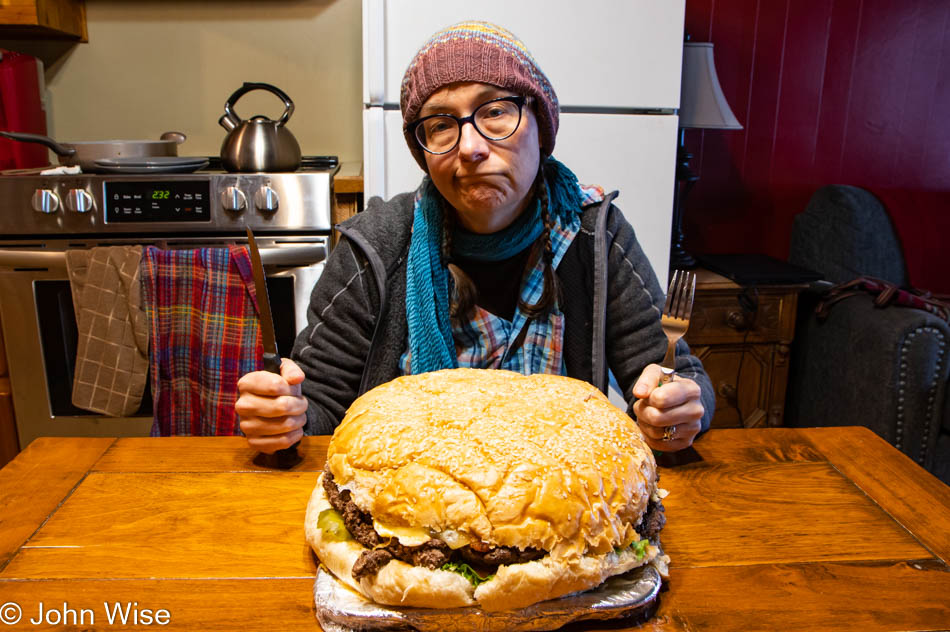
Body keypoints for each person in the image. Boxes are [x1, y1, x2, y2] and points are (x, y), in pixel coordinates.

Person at [236, 21, 714, 455]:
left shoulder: (595, 234)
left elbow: (679, 379)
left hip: (553, 505)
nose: (470, 147)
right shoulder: (374, 248)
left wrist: (672, 417)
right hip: (411, 502)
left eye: (496, 112)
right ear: (424, 153)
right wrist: (284, 417)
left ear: (540, 127)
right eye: (441, 126)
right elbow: (319, 406)